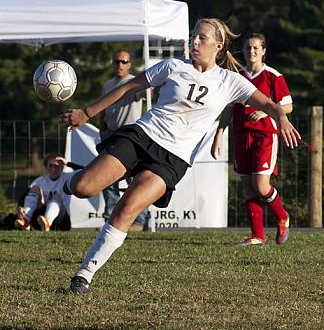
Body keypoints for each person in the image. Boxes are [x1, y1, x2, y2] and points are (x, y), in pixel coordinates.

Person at [62, 18, 300, 294]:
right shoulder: (174, 66)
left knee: (127, 209)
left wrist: (280, 117)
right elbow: (128, 87)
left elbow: (270, 103)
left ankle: (84, 275)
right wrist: (87, 113)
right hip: (142, 137)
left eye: (201, 38)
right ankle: (66, 183)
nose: (194, 42)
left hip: (172, 159)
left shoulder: (229, 81)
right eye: (192, 37)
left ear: (218, 46)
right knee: (83, 187)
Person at [212, 33, 293, 246]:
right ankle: (258, 236)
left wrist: (266, 112)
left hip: (264, 135)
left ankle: (282, 216)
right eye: (248, 48)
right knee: (248, 187)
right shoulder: (236, 76)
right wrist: (219, 135)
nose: (252, 51)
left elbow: (288, 106)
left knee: (261, 185)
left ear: (264, 51)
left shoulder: (273, 76)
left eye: (256, 48)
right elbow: (228, 109)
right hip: (241, 135)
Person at [99, 49, 148, 231]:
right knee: (107, 179)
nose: (120, 65)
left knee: (135, 180)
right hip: (111, 134)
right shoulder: (108, 85)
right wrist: (101, 128)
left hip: (130, 137)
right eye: (117, 61)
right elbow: (103, 109)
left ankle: (139, 221)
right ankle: (109, 218)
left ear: (130, 64)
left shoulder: (134, 83)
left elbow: (149, 93)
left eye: (124, 61)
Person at [15, 153, 82, 232]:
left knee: (56, 196)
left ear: (61, 167)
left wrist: (68, 163)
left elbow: (85, 170)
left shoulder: (67, 178)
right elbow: (25, 195)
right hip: (39, 219)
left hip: (61, 221)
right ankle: (26, 220)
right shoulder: (40, 180)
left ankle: (47, 222)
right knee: (35, 189)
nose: (53, 169)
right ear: (46, 167)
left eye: (56, 166)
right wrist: (20, 207)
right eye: (50, 165)